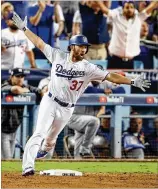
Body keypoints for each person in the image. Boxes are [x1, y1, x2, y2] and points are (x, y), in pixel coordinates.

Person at [12, 12, 151, 176]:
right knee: (39, 132)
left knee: (50, 140)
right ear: (71, 46)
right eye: (81, 46)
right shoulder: (57, 55)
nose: (84, 49)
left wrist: (132, 81)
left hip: (67, 108)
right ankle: (28, 166)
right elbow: (39, 42)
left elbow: (111, 76)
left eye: (86, 47)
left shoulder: (88, 67)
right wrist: (24, 29)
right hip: (50, 101)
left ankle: (43, 150)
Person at [94, 0, 158, 69]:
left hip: (130, 62)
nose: (129, 10)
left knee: (128, 80)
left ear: (134, 9)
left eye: (131, 7)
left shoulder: (139, 18)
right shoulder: (116, 16)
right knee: (110, 80)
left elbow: (152, 6)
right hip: (114, 60)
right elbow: (104, 9)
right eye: (127, 7)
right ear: (123, 9)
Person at [1, 68, 43, 160]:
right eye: (18, 76)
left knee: (8, 159)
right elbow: (15, 90)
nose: (20, 79)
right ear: (11, 77)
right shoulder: (4, 85)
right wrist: (26, 91)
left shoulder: (25, 86)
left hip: (14, 129)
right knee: (7, 159)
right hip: (2, 130)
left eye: (22, 77)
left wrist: (42, 90)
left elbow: (39, 91)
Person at [1, 3, 36, 69]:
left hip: (18, 69)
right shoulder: (2, 32)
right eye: (7, 11)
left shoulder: (23, 33)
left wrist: (33, 65)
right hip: (3, 68)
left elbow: (29, 51)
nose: (9, 12)